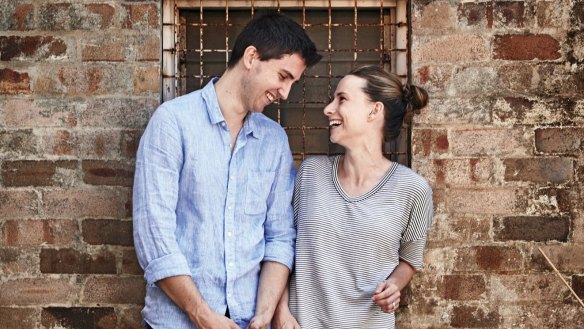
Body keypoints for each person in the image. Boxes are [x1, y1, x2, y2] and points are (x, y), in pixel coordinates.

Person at [133, 12, 321, 329]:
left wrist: (264, 313)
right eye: (283, 76)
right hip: (177, 322)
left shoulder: (274, 141)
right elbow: (154, 237)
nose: (285, 93)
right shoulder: (173, 123)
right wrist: (203, 316)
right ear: (251, 57)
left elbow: (279, 237)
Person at [273, 65, 434, 329]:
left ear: (375, 110)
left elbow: (410, 260)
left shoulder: (413, 189)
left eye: (342, 99)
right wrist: (281, 309)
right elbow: (282, 245)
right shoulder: (311, 173)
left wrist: (394, 286)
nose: (328, 108)